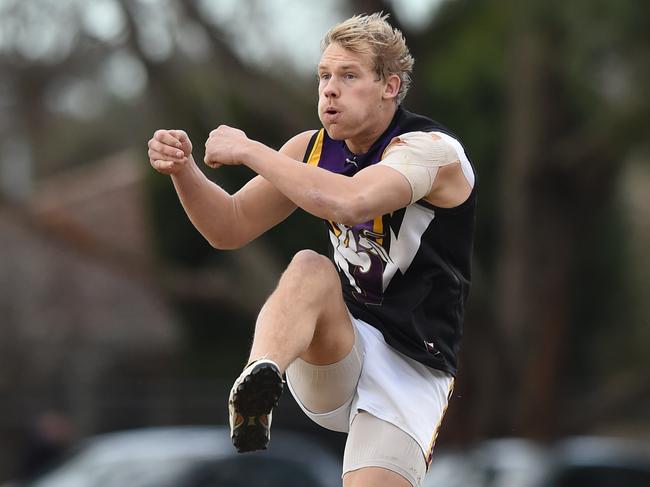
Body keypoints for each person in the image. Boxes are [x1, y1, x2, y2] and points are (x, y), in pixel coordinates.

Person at [147, 12, 476, 487]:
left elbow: (348, 201)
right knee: (308, 267)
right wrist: (184, 171)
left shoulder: (429, 150)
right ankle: (259, 380)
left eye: (348, 76)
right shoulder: (312, 149)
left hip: (413, 367)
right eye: (324, 75)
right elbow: (230, 225)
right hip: (339, 347)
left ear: (390, 86)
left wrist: (249, 150)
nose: (329, 89)